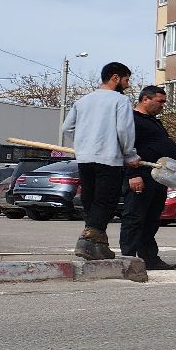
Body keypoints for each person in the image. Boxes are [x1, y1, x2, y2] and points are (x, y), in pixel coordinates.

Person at [59, 62, 142, 261]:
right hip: (109, 158)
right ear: (115, 78)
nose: (128, 84)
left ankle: (99, 245)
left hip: (85, 158)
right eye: (126, 79)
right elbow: (124, 131)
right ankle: (87, 240)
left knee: (90, 200)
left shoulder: (83, 101)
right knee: (106, 201)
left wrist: (83, 144)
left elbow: (66, 129)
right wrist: (130, 155)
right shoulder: (120, 101)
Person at [121, 85, 176, 270]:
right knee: (135, 218)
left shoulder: (155, 121)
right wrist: (134, 175)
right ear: (145, 99)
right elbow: (126, 149)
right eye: (159, 101)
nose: (163, 105)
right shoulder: (131, 120)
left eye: (164, 102)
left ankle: (149, 257)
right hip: (141, 176)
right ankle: (128, 259)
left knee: (152, 219)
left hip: (158, 177)